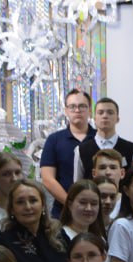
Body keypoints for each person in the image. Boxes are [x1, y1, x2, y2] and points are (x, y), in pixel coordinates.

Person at [40, 89, 96, 218]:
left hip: (95, 211)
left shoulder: (99, 139)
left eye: (82, 106)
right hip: (63, 211)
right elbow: (47, 179)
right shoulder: (54, 140)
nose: (77, 110)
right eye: (72, 107)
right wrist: (71, 204)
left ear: (90, 110)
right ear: (66, 111)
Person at [74, 97, 133, 183]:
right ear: (94, 118)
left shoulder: (131, 148)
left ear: (117, 119)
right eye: (100, 112)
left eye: (110, 112)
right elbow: (78, 184)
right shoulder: (81, 149)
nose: (105, 116)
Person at [58, 179, 108, 250]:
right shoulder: (60, 238)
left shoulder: (100, 239)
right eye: (83, 202)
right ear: (70, 205)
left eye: (94, 203)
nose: (88, 208)